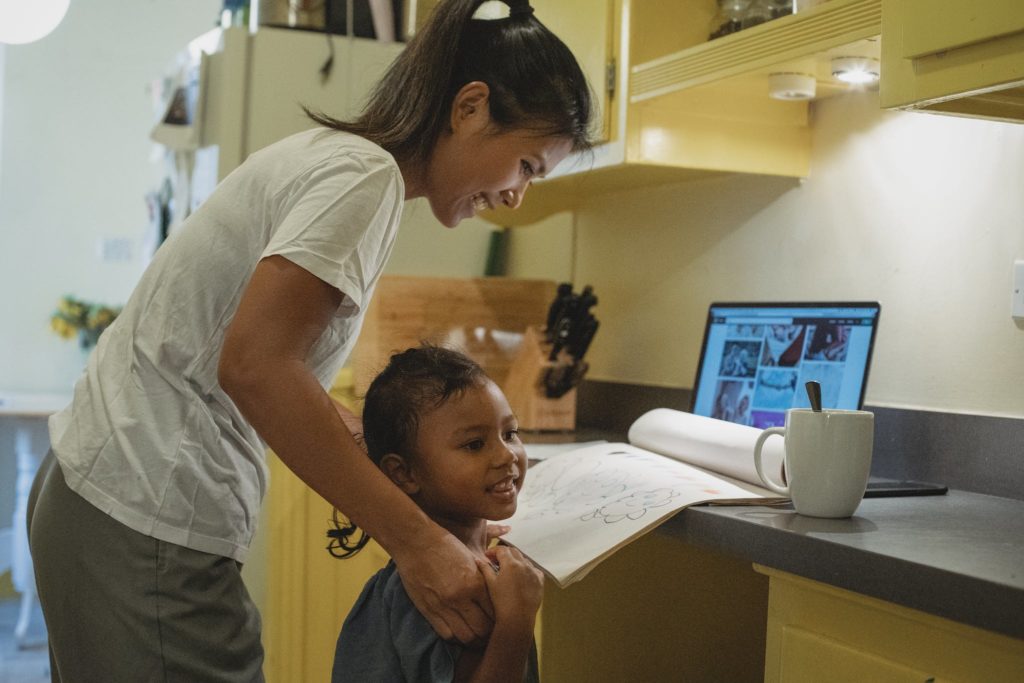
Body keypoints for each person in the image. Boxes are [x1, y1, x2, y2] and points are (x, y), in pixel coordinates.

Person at [27, 0, 593, 679]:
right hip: (146, 503)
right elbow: (256, 366)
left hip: (109, 484)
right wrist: (417, 542)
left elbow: (264, 364)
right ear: (470, 107)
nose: (516, 195)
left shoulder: (344, 165)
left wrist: (385, 469)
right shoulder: (366, 179)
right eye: (528, 165)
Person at [328, 345, 540, 682]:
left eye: (509, 433)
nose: (506, 456)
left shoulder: (483, 567)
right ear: (404, 474)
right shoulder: (436, 594)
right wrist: (517, 622)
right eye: (474, 444)